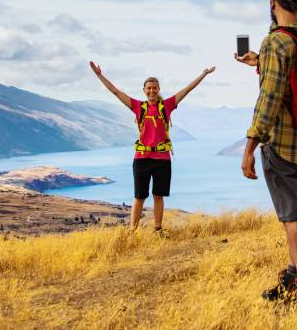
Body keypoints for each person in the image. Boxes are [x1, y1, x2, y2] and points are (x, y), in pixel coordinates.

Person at [233, 0, 297, 306]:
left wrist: (249, 147)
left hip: (281, 144)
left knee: (292, 216)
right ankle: (292, 277)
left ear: (273, 3)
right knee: (296, 213)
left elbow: (270, 98)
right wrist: (259, 62)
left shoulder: (276, 43)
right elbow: (293, 76)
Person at [89, 61, 215, 236]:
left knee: (158, 196)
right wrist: (99, 75)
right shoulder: (138, 107)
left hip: (162, 159)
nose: (152, 91)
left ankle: (157, 229)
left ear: (159, 89)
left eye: (154, 88)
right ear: (144, 90)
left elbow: (186, 90)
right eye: (148, 88)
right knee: (139, 197)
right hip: (141, 159)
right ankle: (132, 231)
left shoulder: (167, 106)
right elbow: (115, 91)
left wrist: (204, 74)